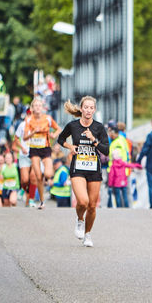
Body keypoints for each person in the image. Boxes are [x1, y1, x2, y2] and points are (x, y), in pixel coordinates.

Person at [57, 96, 110, 247]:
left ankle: (87, 234)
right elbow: (60, 139)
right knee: (83, 201)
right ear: (81, 109)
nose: (88, 110)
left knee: (92, 205)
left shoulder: (99, 128)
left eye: (91, 108)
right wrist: (70, 147)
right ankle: (80, 220)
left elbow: (106, 150)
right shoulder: (73, 126)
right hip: (78, 167)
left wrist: (94, 139)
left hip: (94, 169)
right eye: (85, 107)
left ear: (94, 110)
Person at [24, 97, 60, 210]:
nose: (38, 107)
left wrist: (54, 135)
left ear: (42, 108)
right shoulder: (28, 120)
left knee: (48, 174)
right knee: (38, 176)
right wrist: (33, 132)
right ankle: (42, 201)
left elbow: (58, 129)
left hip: (45, 149)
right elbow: (25, 137)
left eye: (40, 105)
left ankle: (46, 173)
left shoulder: (48, 118)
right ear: (32, 108)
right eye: (35, 106)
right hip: (34, 149)